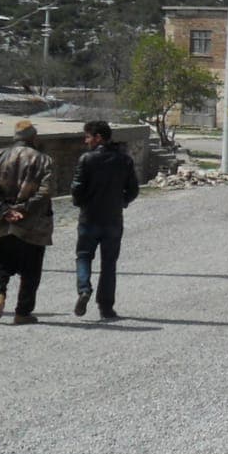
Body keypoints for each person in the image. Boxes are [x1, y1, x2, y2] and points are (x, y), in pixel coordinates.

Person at [0, 120, 55, 325]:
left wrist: (6, 211)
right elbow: (45, 191)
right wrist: (23, 209)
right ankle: (23, 312)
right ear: (33, 138)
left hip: (3, 221)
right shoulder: (44, 160)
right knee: (31, 270)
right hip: (33, 223)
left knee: (2, 263)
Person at [71, 120, 139, 321]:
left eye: (88, 137)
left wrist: (81, 203)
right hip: (113, 220)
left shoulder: (86, 159)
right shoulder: (124, 160)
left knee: (83, 256)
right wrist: (121, 202)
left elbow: (76, 189)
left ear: (98, 137)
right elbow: (133, 190)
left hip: (89, 218)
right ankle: (106, 307)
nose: (86, 141)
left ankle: (84, 289)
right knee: (109, 263)